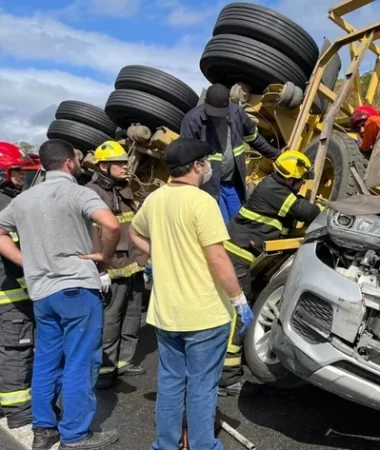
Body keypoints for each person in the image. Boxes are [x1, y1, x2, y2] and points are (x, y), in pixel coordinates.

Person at [129, 137, 254, 450]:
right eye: (208, 162)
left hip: (166, 313)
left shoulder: (155, 199)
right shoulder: (202, 202)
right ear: (198, 165)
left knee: (171, 382)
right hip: (204, 314)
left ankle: (166, 444)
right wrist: (238, 298)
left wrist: (158, 255)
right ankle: (202, 445)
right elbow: (217, 257)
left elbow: (134, 232)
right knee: (201, 387)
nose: (210, 167)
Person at [0, 139, 121, 449]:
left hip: (42, 293)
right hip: (77, 288)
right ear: (69, 163)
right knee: (81, 361)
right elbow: (110, 225)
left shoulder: (23, 200)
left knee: (47, 361)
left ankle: (44, 429)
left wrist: (26, 261)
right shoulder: (78, 193)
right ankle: (75, 434)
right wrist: (104, 257)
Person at [220, 150, 324, 397]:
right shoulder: (275, 190)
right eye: (300, 180)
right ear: (290, 177)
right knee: (239, 312)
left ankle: (225, 366)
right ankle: (226, 375)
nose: (301, 184)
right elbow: (305, 211)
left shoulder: (278, 188)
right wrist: (327, 209)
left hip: (241, 255)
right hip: (237, 256)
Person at [85, 141, 149, 389]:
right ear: (103, 167)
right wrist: (100, 270)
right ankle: (105, 367)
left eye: (125, 162)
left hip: (132, 263)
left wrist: (144, 260)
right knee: (110, 318)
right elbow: (92, 235)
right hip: (111, 265)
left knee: (133, 314)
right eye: (119, 163)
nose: (125, 167)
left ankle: (124, 362)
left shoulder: (124, 189)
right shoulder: (92, 192)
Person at [181, 83, 281, 223]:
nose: (218, 117)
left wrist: (276, 155)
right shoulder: (193, 120)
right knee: (221, 226)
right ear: (206, 104)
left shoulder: (237, 113)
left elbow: (254, 138)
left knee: (237, 223)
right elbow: (185, 158)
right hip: (210, 186)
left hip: (232, 183)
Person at [0, 142, 39, 429]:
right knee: (16, 350)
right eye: (16, 172)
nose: (21, 178)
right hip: (10, 293)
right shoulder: (6, 205)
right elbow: (15, 251)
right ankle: (18, 412)